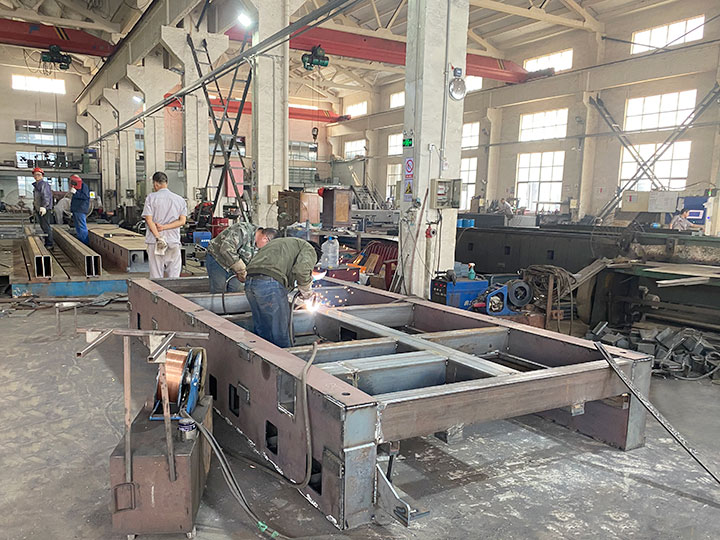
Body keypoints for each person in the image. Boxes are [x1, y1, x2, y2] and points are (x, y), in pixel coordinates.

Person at [244, 237, 320, 348]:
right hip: (269, 283)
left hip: (250, 282)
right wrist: (307, 291)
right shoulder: (309, 249)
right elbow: (302, 270)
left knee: (262, 328)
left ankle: (263, 356)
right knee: (280, 330)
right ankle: (285, 356)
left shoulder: (284, 243)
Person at [206, 223, 278, 293]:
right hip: (218, 259)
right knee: (219, 289)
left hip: (235, 266)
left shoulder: (259, 245)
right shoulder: (242, 230)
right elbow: (226, 249)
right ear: (265, 239)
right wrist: (240, 269)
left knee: (237, 289)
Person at [142, 171, 188, 279]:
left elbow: (149, 220)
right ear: (166, 183)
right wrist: (165, 227)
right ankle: (173, 290)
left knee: (156, 275)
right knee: (174, 276)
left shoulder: (151, 198)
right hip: (173, 240)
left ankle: (157, 290)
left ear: (155, 184)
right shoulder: (180, 200)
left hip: (156, 242)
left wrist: (158, 237)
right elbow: (182, 221)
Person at [31, 167, 53, 249]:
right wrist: (35, 208)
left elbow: (46, 196)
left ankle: (49, 244)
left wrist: (44, 207)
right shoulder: (36, 185)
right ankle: (47, 242)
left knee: (46, 226)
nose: (37, 176)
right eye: (35, 174)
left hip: (44, 209)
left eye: (38, 174)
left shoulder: (44, 184)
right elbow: (36, 198)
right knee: (43, 226)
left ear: (42, 176)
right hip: (39, 209)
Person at [69, 175, 90, 244]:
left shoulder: (84, 186)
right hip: (76, 209)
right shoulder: (76, 187)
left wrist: (76, 193)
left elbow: (85, 196)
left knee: (82, 226)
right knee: (78, 227)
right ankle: (80, 242)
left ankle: (85, 243)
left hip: (80, 209)